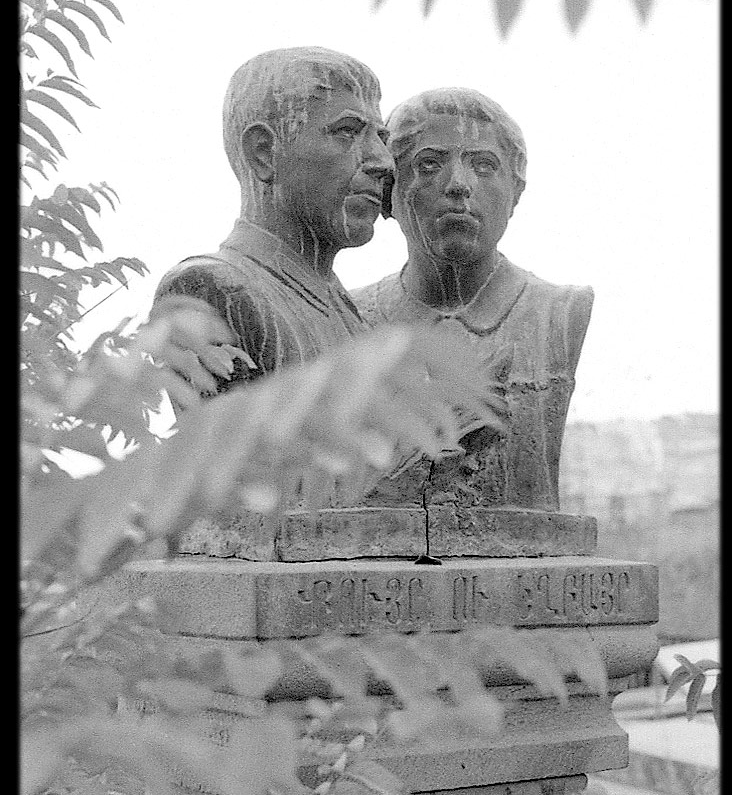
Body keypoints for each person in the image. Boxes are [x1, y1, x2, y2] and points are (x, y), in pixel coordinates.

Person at [351, 87, 593, 512]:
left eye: (484, 165)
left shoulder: (558, 312)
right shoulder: (349, 317)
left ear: (515, 194)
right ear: (389, 194)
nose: (459, 185)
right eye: (429, 164)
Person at [152, 46, 394, 397]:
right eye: (347, 132)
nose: (384, 162)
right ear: (264, 152)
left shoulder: (355, 318)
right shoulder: (208, 289)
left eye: (381, 139)